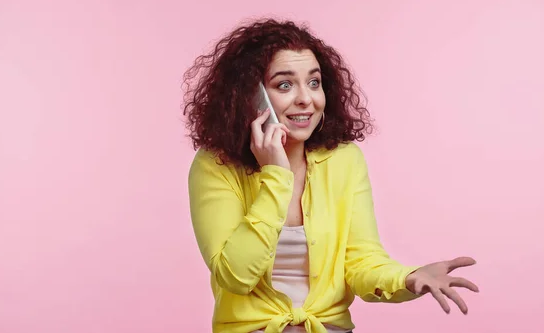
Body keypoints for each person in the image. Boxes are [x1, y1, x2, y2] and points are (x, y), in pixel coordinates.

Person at [182, 18, 479, 333]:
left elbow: (362, 262)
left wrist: (406, 278)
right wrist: (276, 176)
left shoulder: (344, 160)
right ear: (250, 96)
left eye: (313, 82)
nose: (306, 99)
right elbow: (236, 277)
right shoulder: (215, 165)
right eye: (284, 85)